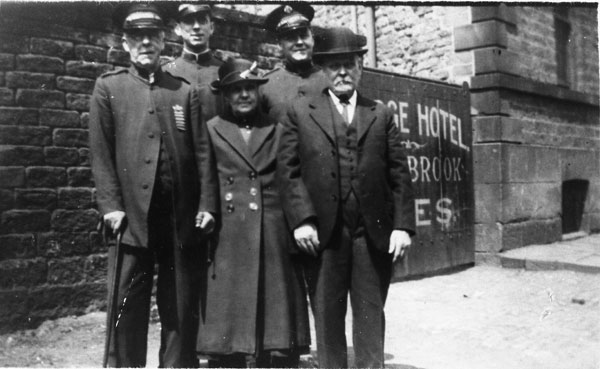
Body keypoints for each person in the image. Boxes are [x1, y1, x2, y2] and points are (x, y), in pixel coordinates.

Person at [277, 27, 416, 368]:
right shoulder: (300, 111)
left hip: (371, 233)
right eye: (335, 65)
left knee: (370, 313)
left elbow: (399, 174)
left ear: (361, 67)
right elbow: (288, 172)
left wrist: (402, 226)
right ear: (323, 70)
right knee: (327, 315)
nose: (342, 72)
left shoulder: (380, 114)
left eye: (350, 64)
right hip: (324, 235)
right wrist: (302, 221)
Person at [89, 4, 216, 367]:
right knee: (127, 304)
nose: (145, 43)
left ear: (163, 41)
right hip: (130, 217)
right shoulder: (109, 87)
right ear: (126, 44)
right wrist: (111, 206)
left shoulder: (182, 91)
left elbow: (202, 153)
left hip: (179, 216)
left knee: (179, 302)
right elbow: (101, 154)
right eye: (136, 37)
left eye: (152, 36)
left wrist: (206, 204)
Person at [196, 58, 310, 368]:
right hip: (229, 234)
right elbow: (206, 178)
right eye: (236, 90)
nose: (244, 95)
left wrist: (301, 222)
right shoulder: (212, 129)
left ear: (259, 92)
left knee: (276, 330)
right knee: (230, 328)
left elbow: (291, 178)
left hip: (271, 231)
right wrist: (206, 210)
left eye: (250, 88)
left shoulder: (277, 129)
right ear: (225, 95)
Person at [260, 2, 327, 122]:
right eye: (291, 38)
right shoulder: (266, 86)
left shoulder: (328, 79)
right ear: (280, 45)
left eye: (304, 35)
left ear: (312, 38)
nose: (299, 42)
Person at [164, 3, 223, 122]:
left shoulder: (225, 71)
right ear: (178, 29)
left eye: (202, 20)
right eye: (189, 21)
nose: (196, 27)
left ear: (211, 28)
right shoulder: (165, 72)